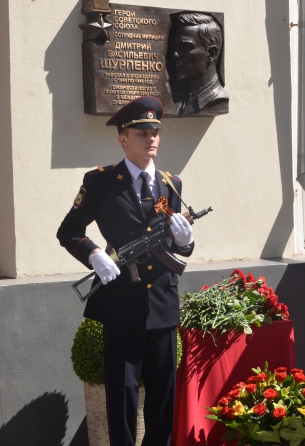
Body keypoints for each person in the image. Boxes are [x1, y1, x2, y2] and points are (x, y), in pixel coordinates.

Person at [57, 96, 195, 446]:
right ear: (123, 138)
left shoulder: (170, 184)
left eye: (155, 132)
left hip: (162, 304)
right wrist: (94, 256)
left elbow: (176, 246)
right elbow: (68, 230)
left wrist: (186, 241)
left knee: (164, 397)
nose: (152, 138)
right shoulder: (102, 182)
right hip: (121, 305)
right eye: (142, 132)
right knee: (122, 398)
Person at [169, 12, 229, 115]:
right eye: (176, 46)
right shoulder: (188, 98)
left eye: (186, 47)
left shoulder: (217, 99)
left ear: (211, 54)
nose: (175, 54)